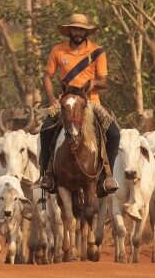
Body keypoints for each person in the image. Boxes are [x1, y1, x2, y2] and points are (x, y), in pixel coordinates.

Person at [38, 13, 120, 197]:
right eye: (75, 29)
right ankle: (47, 175)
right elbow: (47, 77)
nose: (78, 32)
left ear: (86, 32)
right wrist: (52, 99)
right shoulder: (58, 50)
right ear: (69, 31)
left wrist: (94, 84)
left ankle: (108, 176)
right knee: (45, 131)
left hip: (91, 102)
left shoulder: (97, 51)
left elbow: (105, 82)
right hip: (65, 101)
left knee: (114, 134)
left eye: (81, 30)